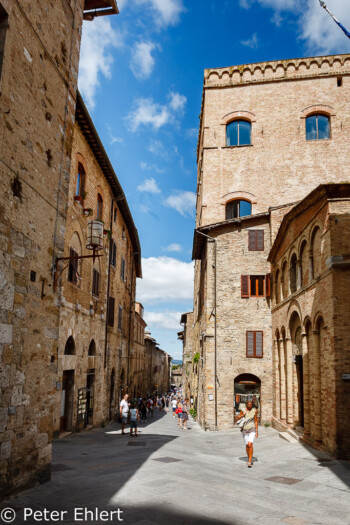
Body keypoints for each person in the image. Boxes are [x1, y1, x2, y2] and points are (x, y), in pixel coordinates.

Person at [238, 400, 258, 467]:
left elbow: (255, 421)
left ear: (252, 405)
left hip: (252, 429)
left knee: (250, 444)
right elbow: (238, 418)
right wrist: (242, 415)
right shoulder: (243, 410)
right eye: (248, 404)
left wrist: (257, 431)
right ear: (246, 404)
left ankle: (250, 461)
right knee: (247, 445)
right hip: (245, 430)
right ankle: (249, 457)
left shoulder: (254, 410)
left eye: (250, 404)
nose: (249, 405)